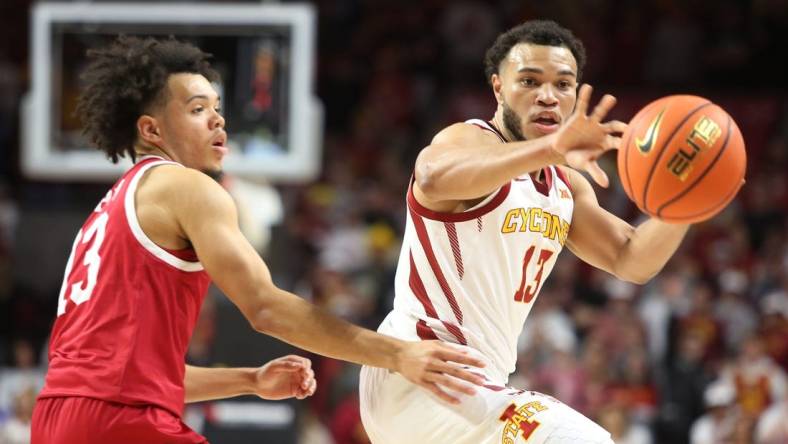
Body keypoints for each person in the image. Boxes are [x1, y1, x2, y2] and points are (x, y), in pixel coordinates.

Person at [31, 36, 486, 444]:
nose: (217, 120)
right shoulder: (186, 187)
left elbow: (130, 372)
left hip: (57, 419)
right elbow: (265, 308)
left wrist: (251, 379)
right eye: (196, 109)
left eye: (216, 107)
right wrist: (399, 354)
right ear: (151, 130)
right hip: (119, 421)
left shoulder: (109, 208)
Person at [359, 19, 691, 444]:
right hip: (420, 370)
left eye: (564, 84)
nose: (548, 96)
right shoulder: (471, 139)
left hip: (473, 387)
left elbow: (631, 258)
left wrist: (688, 204)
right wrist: (551, 148)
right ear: (498, 88)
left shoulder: (565, 186)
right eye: (530, 81)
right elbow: (432, 177)